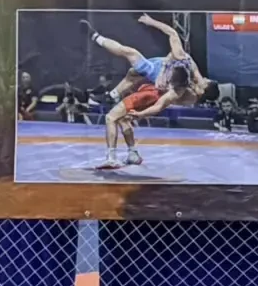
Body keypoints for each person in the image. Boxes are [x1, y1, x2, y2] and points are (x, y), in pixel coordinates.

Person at [86, 15, 209, 170]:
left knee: (130, 56)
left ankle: (112, 156)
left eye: (204, 84)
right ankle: (132, 153)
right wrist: (151, 22)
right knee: (131, 76)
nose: (204, 80)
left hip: (154, 83)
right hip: (159, 71)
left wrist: (141, 114)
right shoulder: (183, 61)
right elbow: (172, 36)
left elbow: (159, 105)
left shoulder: (178, 90)